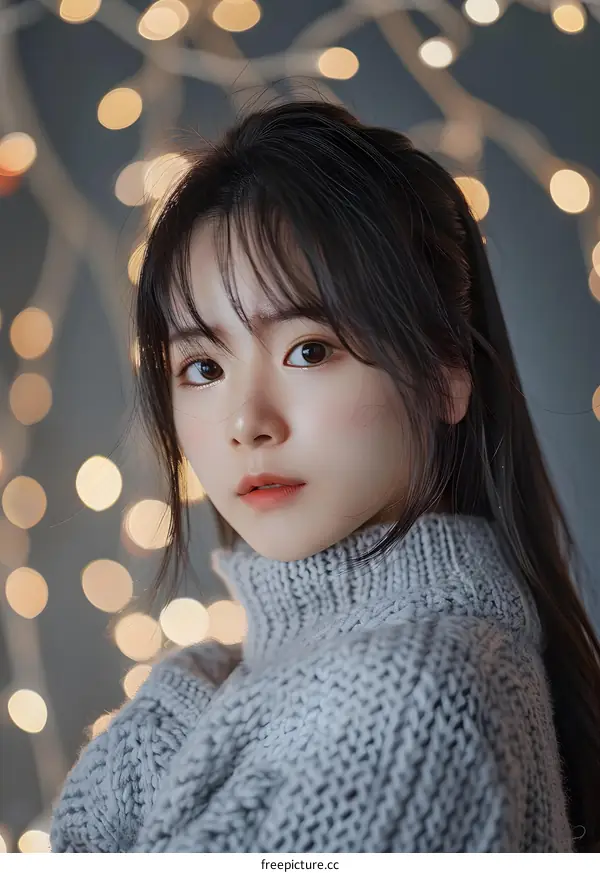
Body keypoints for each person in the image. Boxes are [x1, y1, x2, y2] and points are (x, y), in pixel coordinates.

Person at [49, 100, 600, 852]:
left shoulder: (417, 698)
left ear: (446, 373)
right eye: (203, 366)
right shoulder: (212, 687)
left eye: (309, 349)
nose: (247, 420)